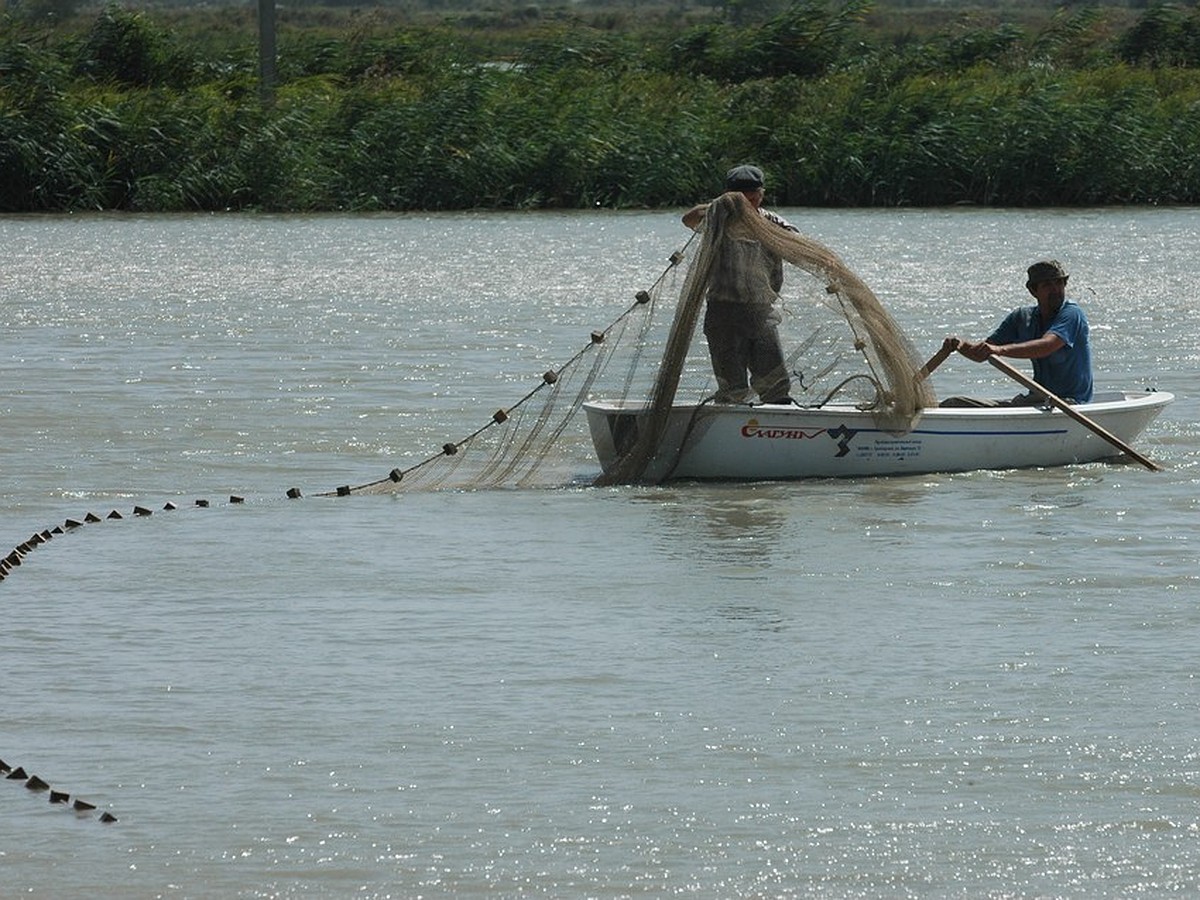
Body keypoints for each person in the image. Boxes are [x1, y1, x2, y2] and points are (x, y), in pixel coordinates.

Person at [682, 164, 799, 405]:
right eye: (742, 199)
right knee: (732, 388)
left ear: (762, 195)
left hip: (761, 312)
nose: (749, 204)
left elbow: (797, 242)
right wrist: (721, 205)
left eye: (754, 198)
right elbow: (689, 218)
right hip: (724, 313)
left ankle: (776, 428)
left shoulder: (771, 221)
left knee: (776, 386)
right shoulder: (716, 219)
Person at [941, 259, 1093, 407]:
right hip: (1038, 400)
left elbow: (1047, 345)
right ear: (1033, 290)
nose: (1056, 290)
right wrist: (959, 345)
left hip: (1071, 403)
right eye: (1047, 285)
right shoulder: (1022, 317)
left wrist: (1000, 350)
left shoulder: (1072, 314)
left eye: (1059, 283)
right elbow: (982, 352)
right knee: (953, 404)